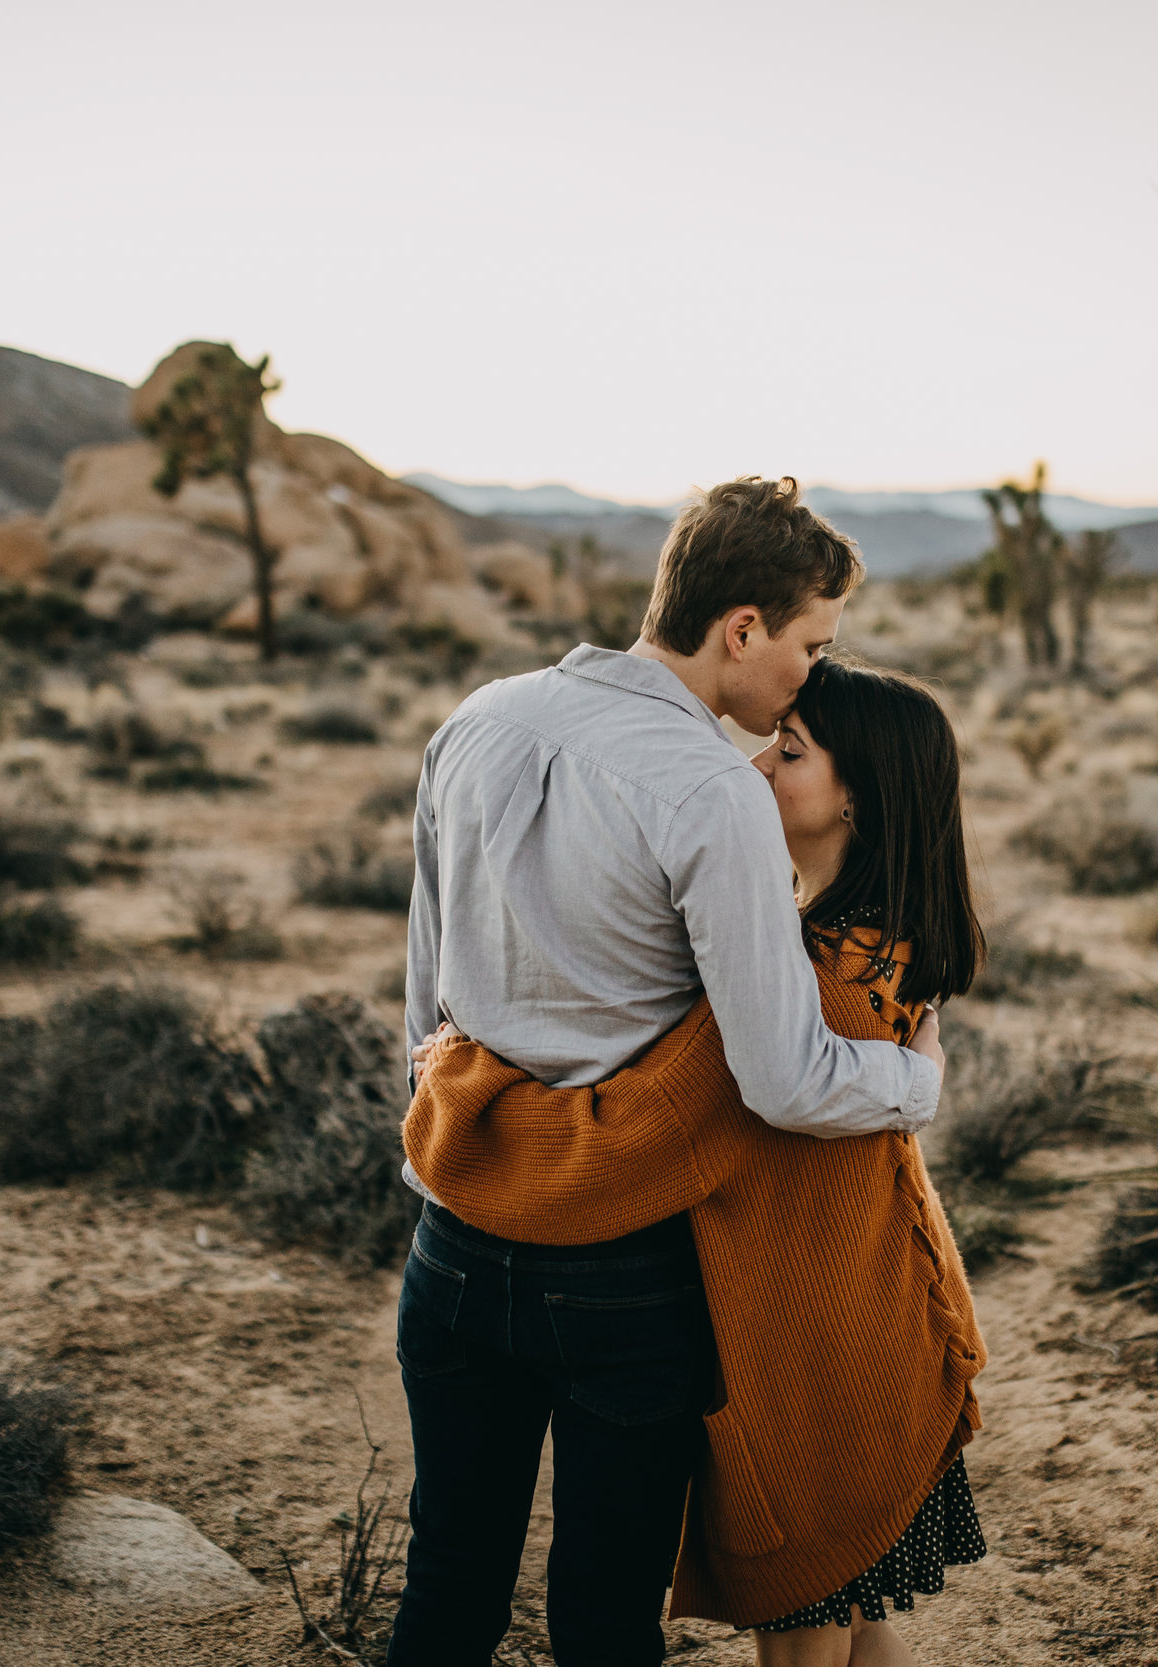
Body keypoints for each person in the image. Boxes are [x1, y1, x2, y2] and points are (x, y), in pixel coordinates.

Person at [387, 479, 946, 1667]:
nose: (809, 674)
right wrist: (913, 1082)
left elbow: (425, 998)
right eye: (809, 645)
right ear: (741, 628)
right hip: (622, 1265)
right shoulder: (706, 790)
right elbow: (784, 1080)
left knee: (446, 1582)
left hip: (453, 1231)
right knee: (601, 1616)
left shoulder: (478, 717)